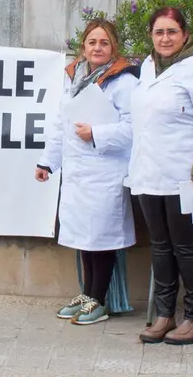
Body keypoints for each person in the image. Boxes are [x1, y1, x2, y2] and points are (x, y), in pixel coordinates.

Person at [126, 6, 193, 345]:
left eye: (172, 31)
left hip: (186, 176)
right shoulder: (148, 66)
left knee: (187, 248)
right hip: (148, 174)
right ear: (151, 36)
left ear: (185, 34)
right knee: (160, 247)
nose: (165, 38)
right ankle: (164, 314)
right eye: (159, 32)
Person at [35, 19, 139, 325]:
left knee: (101, 239)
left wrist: (96, 133)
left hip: (106, 170)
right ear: (83, 46)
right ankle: (87, 294)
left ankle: (99, 300)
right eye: (92, 42)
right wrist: (47, 162)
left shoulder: (124, 81)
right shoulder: (75, 76)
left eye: (104, 42)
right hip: (78, 172)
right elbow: (61, 123)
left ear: (113, 47)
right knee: (84, 238)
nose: (97, 48)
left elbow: (134, 128)